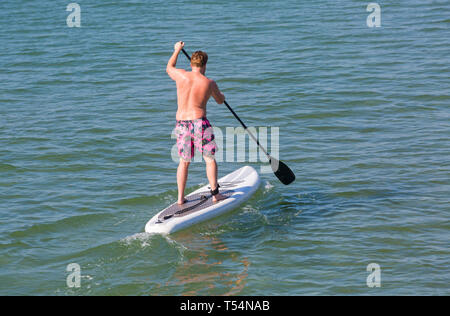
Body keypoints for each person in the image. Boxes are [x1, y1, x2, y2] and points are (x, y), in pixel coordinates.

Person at [166, 41, 226, 205]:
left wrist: (177, 50)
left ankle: (180, 198)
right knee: (209, 158)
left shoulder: (181, 75)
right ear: (204, 64)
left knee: (184, 162)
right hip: (200, 123)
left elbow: (169, 67)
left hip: (181, 124)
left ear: (191, 63)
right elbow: (220, 101)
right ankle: (215, 195)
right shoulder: (209, 82)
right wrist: (221, 95)